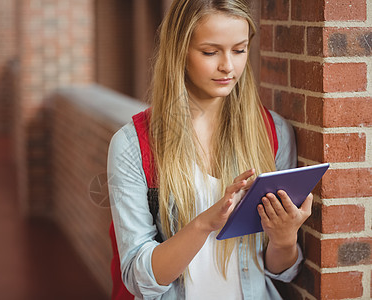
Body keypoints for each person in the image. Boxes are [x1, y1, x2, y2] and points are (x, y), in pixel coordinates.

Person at [107, 0, 312, 299]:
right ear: (180, 51)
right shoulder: (133, 145)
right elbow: (139, 280)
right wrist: (204, 224)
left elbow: (279, 270)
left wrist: (283, 240)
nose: (228, 66)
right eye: (210, 52)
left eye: (239, 50)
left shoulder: (274, 133)